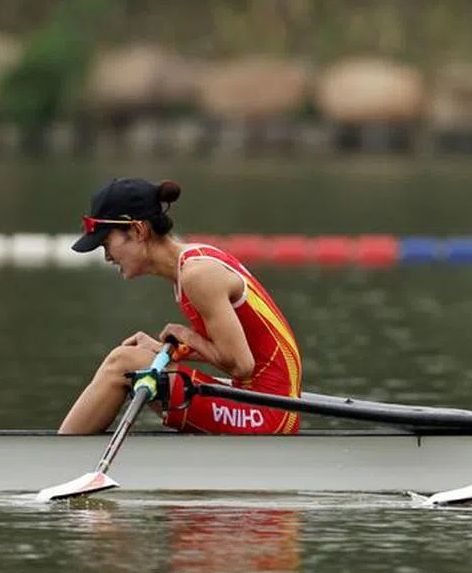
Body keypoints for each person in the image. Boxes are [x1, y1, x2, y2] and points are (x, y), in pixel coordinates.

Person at [58, 177, 301, 435]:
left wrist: (186, 336)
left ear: (139, 231)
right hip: (258, 401)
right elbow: (233, 352)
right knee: (130, 359)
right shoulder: (194, 260)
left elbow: (242, 365)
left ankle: (57, 459)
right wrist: (170, 350)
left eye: (107, 243)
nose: (106, 256)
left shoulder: (197, 275)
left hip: (269, 413)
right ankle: (64, 451)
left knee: (123, 362)